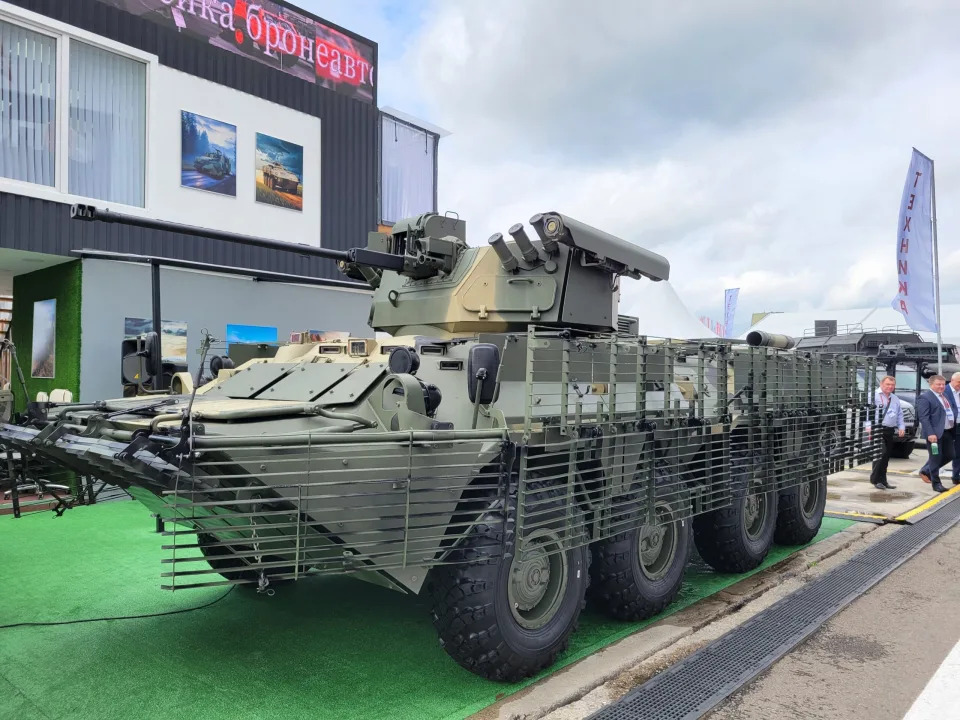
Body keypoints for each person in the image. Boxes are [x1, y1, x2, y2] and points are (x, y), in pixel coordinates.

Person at [917, 374, 957, 493]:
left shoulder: (944, 396)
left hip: (947, 431)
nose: (941, 386)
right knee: (935, 457)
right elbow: (924, 417)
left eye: (943, 384)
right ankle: (936, 483)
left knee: (950, 455)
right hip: (934, 434)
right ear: (931, 384)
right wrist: (930, 433)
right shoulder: (925, 397)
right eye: (938, 384)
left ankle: (927, 471)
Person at [870, 376, 904, 490]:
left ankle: (883, 480)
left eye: (892, 385)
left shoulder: (895, 398)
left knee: (886, 456)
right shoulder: (873, 395)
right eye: (888, 384)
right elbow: (866, 412)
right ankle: (875, 479)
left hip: (889, 429)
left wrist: (901, 427)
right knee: (880, 453)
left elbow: (899, 414)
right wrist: (867, 426)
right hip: (877, 428)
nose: (890, 387)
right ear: (881, 384)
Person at [949, 372, 960, 485]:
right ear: (952, 380)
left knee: (958, 452)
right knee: (946, 452)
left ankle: (956, 476)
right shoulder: (946, 391)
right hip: (950, 426)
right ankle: (927, 470)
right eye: (959, 382)